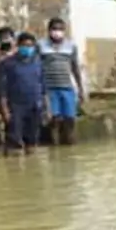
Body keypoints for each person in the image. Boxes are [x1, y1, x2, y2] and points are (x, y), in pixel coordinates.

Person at [0, 32, 47, 156]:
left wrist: (46, 108)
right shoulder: (7, 64)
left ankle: (31, 169)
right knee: (14, 142)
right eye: (24, 45)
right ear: (18, 46)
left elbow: (43, 87)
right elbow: (1, 89)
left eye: (30, 46)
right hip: (16, 107)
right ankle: (14, 169)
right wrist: (5, 110)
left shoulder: (38, 63)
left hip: (34, 106)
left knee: (32, 142)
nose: (27, 48)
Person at [38, 17, 85, 146]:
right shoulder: (41, 45)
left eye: (60, 29)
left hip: (67, 88)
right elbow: (37, 68)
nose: (57, 32)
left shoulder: (71, 46)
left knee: (70, 119)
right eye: (54, 29)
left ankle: (70, 147)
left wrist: (80, 89)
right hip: (49, 89)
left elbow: (75, 67)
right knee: (54, 120)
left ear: (64, 31)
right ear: (49, 31)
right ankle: (55, 149)